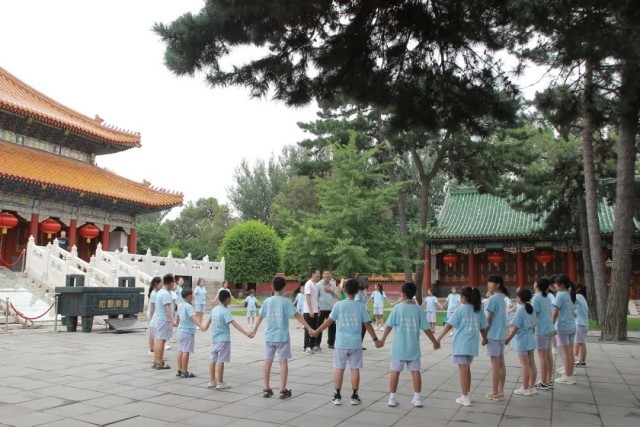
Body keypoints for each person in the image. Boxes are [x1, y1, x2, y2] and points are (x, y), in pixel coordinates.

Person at [311, 278, 380, 405]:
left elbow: (328, 321)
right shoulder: (360, 307)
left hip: (341, 343)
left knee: (339, 368)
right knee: (355, 369)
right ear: (357, 291)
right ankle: (354, 396)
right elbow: (368, 324)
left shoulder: (338, 305)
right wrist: (375, 340)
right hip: (355, 343)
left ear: (344, 290)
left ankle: (337, 396)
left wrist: (316, 332)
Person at [251, 276, 313, 399]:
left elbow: (260, 317)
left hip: (269, 337)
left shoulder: (267, 301)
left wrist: (253, 331)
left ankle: (266, 389)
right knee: (283, 362)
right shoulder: (286, 302)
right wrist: (309, 328)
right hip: (282, 337)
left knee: (267, 361)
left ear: (272, 286)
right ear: (284, 287)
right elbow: (298, 316)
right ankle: (283, 390)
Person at [380, 282, 439, 408]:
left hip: (398, 348)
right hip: (413, 347)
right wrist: (434, 342)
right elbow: (426, 328)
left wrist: (382, 339)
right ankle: (417, 399)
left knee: (395, 371)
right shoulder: (418, 310)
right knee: (415, 372)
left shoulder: (397, 308)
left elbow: (388, 326)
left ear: (403, 293)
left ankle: (392, 398)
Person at [436, 286, 486, 407]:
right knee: (467, 369)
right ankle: (467, 394)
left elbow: (448, 325)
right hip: (472, 345)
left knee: (463, 370)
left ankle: (465, 397)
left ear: (464, 297)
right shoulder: (478, 310)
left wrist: (438, 339)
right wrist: (485, 339)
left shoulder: (460, 310)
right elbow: (483, 328)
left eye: (460, 295)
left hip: (461, 344)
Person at [202, 289, 252, 389]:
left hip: (214, 339)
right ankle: (220, 382)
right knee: (221, 360)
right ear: (227, 299)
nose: (231, 299)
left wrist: (203, 328)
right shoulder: (225, 311)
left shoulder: (214, 309)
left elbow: (207, 325)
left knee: (212, 359)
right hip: (223, 339)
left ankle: (212, 381)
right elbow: (235, 325)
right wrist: (247, 333)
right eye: (230, 297)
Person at [505, 288, 537, 396]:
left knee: (525, 365)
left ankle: (525, 388)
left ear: (520, 298)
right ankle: (532, 387)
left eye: (517, 296)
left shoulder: (520, 311)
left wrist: (508, 339)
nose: (516, 298)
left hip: (522, 340)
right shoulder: (531, 309)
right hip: (530, 338)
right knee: (531, 363)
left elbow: (516, 327)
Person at [484, 275, 508, 401]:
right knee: (501, 363)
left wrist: (484, 335)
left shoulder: (493, 298)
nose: (489, 284)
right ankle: (500, 391)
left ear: (498, 284)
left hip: (493, 334)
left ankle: (494, 392)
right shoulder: (502, 298)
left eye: (491, 282)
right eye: (488, 282)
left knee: (495, 364)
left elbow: (489, 318)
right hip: (501, 334)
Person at [149, 273, 177, 370]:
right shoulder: (165, 293)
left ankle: (157, 361)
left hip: (159, 319)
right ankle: (159, 362)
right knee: (161, 341)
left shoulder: (160, 292)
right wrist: (173, 320)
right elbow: (167, 308)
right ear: (171, 283)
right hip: (163, 319)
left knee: (158, 340)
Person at [175, 288, 204, 378]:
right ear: (189, 296)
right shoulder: (189, 306)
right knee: (186, 352)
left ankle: (179, 370)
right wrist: (201, 326)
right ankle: (184, 371)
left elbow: (177, 318)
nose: (193, 296)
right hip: (187, 331)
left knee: (180, 350)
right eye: (192, 295)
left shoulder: (180, 305)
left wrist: (176, 324)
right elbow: (193, 318)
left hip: (180, 331)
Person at [554, 275, 577, 384]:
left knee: (565, 353)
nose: (555, 285)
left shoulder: (560, 295)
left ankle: (568, 375)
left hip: (563, 327)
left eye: (556, 283)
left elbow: (555, 312)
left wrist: (551, 325)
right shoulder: (570, 294)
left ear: (561, 285)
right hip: (572, 326)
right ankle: (570, 374)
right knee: (570, 352)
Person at [532, 277, 554, 390]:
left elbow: (534, 314)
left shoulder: (536, 298)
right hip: (549, 328)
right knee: (548, 355)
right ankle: (549, 380)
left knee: (542, 356)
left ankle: (543, 381)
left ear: (537, 285)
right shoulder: (548, 297)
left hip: (541, 329)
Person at [317, 269, 340, 349]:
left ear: (330, 275)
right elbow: (315, 297)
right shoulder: (318, 284)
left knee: (332, 327)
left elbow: (338, 297)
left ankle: (331, 343)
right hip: (321, 309)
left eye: (328, 274)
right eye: (325, 274)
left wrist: (331, 291)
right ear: (322, 275)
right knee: (319, 326)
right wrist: (317, 307)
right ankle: (317, 343)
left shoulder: (333, 284)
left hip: (331, 308)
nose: (327, 275)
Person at [303, 268, 322, 353]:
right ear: (313, 274)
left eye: (319, 273)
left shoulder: (316, 285)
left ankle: (312, 345)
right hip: (308, 311)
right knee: (308, 329)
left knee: (315, 328)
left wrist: (318, 308)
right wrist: (310, 310)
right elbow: (308, 297)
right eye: (317, 273)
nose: (319, 275)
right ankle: (306, 346)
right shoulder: (308, 284)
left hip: (315, 310)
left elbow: (316, 298)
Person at [146, 276, 162, 355]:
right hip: (153, 315)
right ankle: (152, 350)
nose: (162, 285)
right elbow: (152, 308)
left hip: (155, 315)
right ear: (156, 284)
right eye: (161, 283)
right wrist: (151, 319)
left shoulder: (157, 292)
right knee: (154, 334)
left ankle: (153, 350)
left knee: (153, 333)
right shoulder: (154, 293)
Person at [574, 284, 589, 367]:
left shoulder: (578, 296)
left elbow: (571, 301)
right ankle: (576, 358)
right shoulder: (582, 298)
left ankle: (582, 361)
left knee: (581, 342)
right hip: (582, 323)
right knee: (578, 342)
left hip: (580, 323)